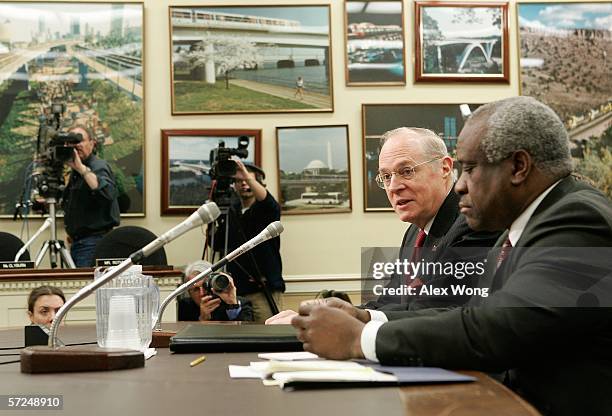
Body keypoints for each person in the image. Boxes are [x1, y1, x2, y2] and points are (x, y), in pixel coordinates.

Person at [291, 97, 612, 415]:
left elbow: (498, 329)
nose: (459, 186)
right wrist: (366, 317)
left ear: (518, 167)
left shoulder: (579, 218)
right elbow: (467, 314)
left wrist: (360, 338)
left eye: (470, 169)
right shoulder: (517, 230)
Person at [266, 128, 499, 324]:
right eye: (386, 177)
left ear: (445, 168)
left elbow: (439, 310)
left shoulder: (472, 222)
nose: (394, 187)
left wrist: (349, 318)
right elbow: (390, 302)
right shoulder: (414, 232)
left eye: (406, 171)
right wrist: (322, 316)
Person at [212, 159, 284, 323]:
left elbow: (268, 202)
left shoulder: (266, 210)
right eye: (238, 181)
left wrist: (246, 174)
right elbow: (216, 243)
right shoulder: (232, 212)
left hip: (264, 289)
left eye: (248, 180)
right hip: (236, 290)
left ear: (259, 184)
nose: (244, 184)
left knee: (267, 335)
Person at [62, 124, 120, 267]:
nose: (75, 146)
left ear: (92, 143)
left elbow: (107, 193)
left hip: (93, 243)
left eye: (79, 140)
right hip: (79, 243)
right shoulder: (75, 170)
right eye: (71, 142)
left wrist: (82, 169)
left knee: (85, 286)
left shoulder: (98, 166)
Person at [177, 260, 253, 322]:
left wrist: (232, 305)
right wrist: (203, 319)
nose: (202, 293)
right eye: (196, 289)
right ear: (189, 292)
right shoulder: (183, 308)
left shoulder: (240, 303)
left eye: (205, 286)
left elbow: (245, 335)